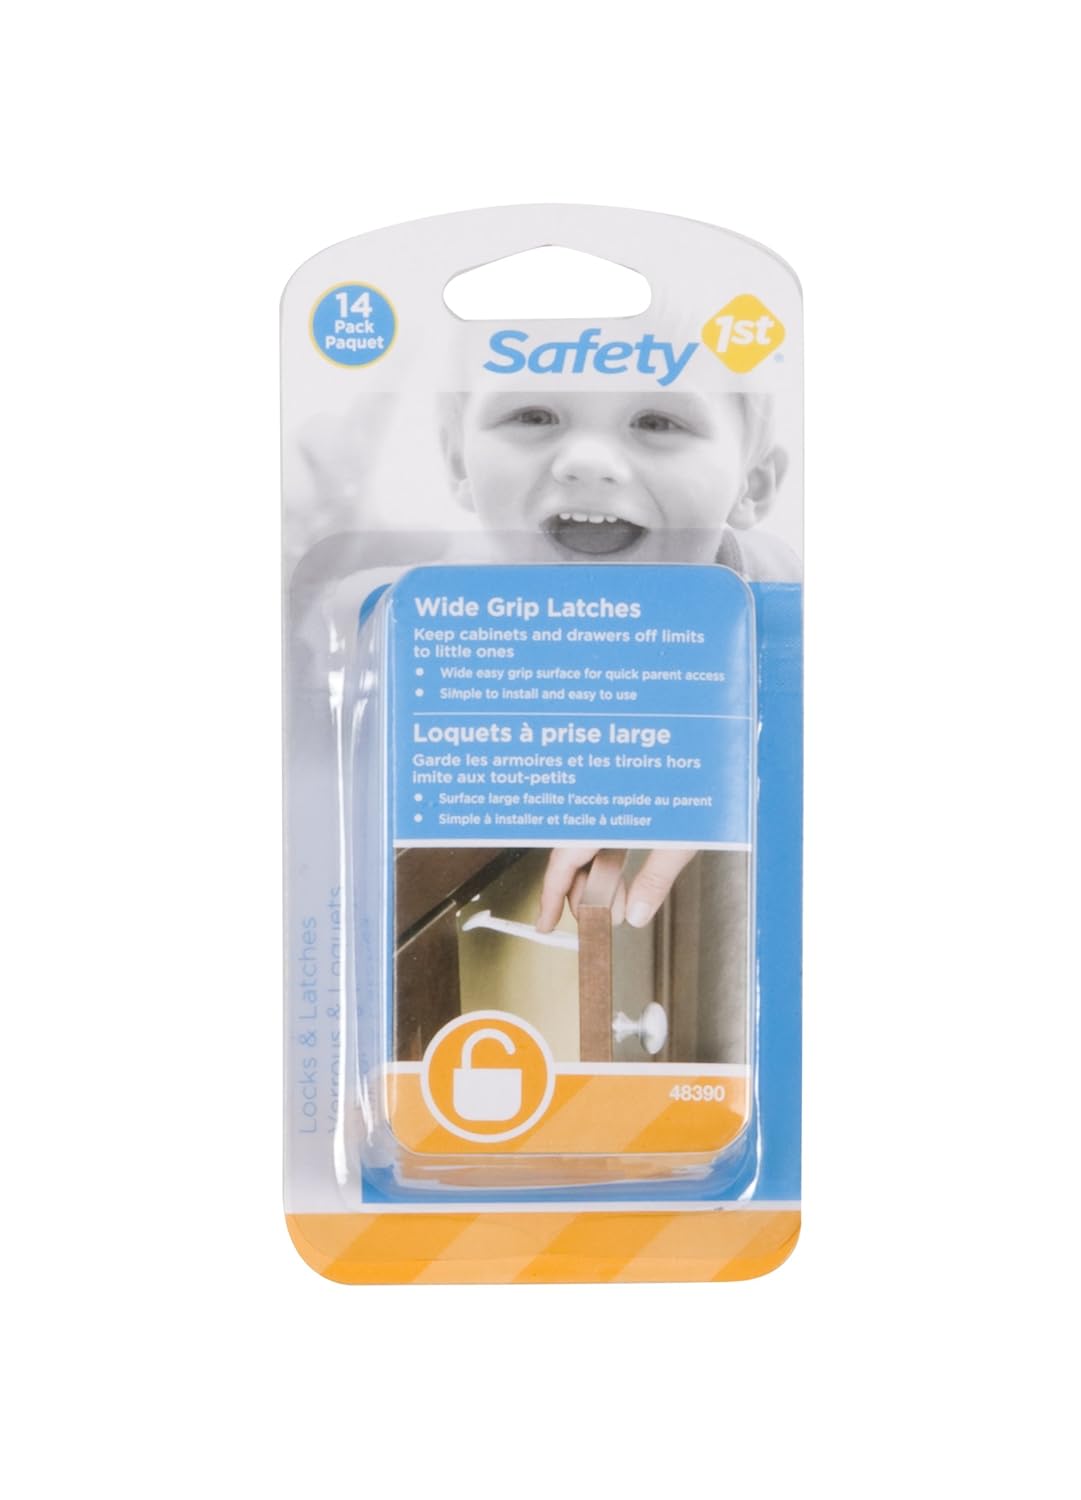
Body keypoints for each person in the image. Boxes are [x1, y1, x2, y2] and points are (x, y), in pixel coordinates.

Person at [441, 387, 796, 930]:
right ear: (457, 461)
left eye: (656, 422)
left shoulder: (776, 597)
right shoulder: (444, 623)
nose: (587, 460)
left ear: (752, 483)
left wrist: (703, 759)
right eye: (534, 415)